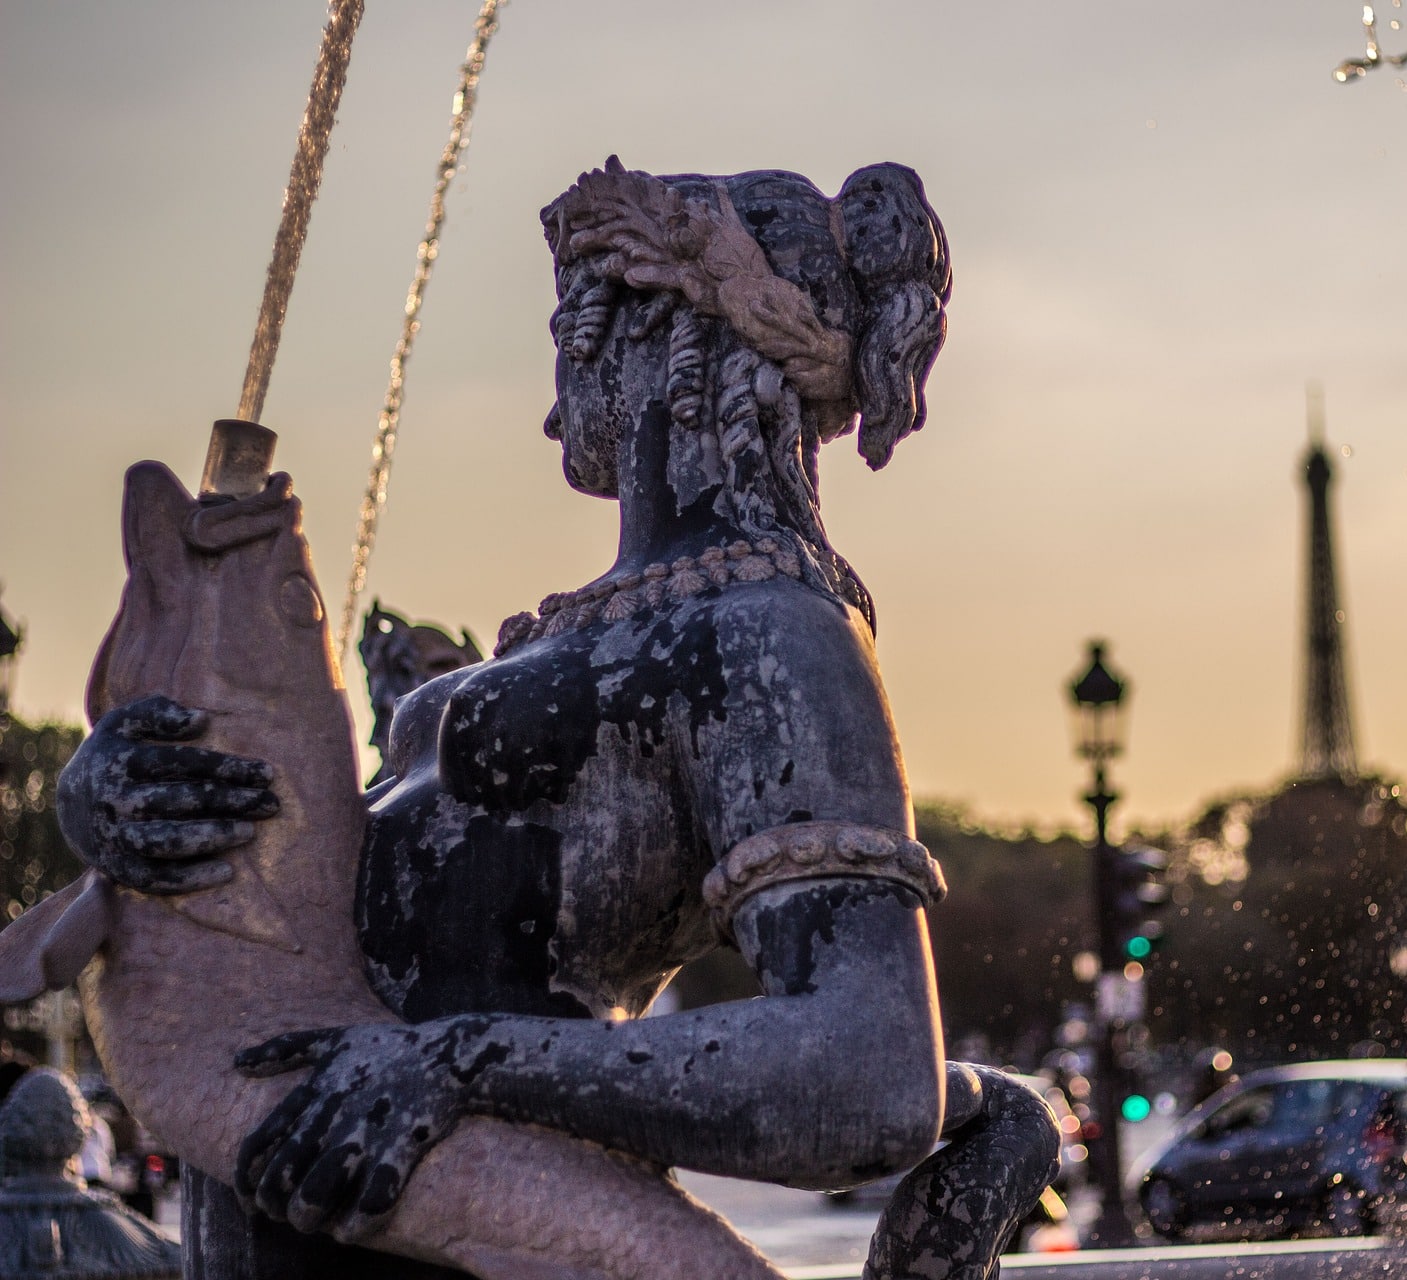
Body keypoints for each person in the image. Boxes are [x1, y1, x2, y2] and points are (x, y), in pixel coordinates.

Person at [58, 160, 1056, 1279]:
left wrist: (463, 1062)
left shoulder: (774, 632)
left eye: (568, 345)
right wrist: (124, 797)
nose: (548, 410)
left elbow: (866, 1075)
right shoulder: (598, 631)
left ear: (653, 332)